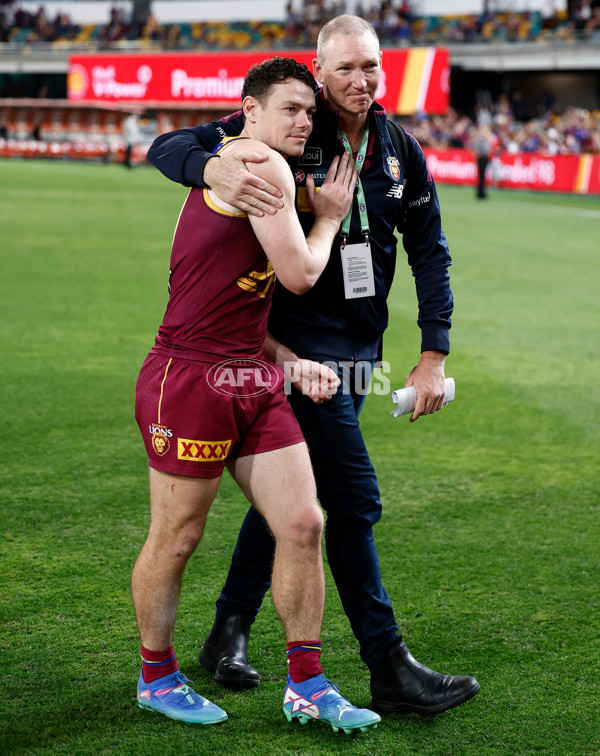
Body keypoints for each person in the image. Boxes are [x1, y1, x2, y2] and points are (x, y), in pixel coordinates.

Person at [147, 15, 480, 716]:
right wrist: (212, 167)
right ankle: (387, 664)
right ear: (320, 70)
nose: (359, 82)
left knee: (294, 504)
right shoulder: (291, 126)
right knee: (350, 501)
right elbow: (169, 144)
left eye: (371, 67)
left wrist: (433, 352)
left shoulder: (400, 153)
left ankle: (228, 629)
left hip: (357, 353)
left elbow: (430, 252)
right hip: (286, 353)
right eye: (345, 69)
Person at [133, 56, 381, 733]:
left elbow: (236, 299)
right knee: (177, 537)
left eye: (310, 110)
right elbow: (300, 275)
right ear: (251, 110)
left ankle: (308, 684)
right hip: (187, 379)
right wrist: (328, 215)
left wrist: (290, 361)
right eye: (290, 109)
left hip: (250, 375)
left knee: (304, 524)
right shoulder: (260, 164)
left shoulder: (247, 161)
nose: (303, 121)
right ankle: (156, 677)